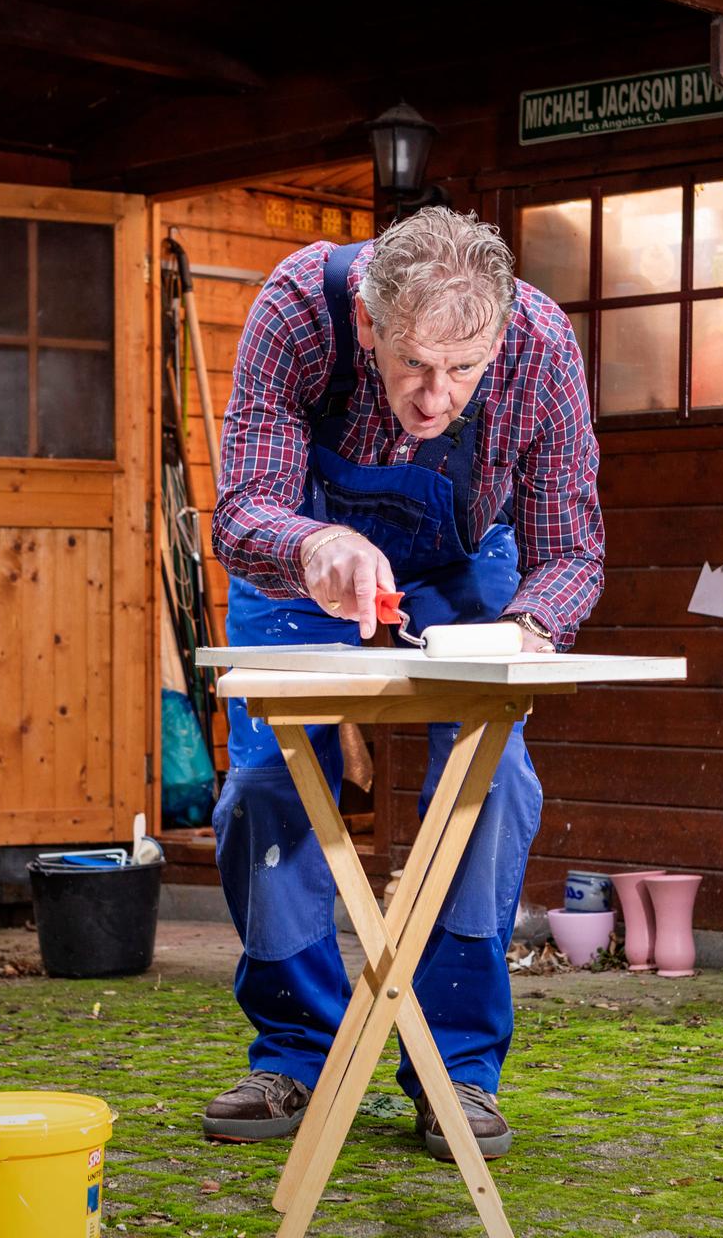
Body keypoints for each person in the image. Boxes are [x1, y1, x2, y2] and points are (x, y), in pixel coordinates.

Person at [202, 207, 604, 1162]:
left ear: (501, 335)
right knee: (263, 793)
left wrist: (528, 628)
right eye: (415, 365)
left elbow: (572, 552)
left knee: (494, 785)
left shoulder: (542, 347)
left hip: (468, 574)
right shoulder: (299, 311)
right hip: (309, 569)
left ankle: (452, 1068)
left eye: (463, 371)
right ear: (372, 323)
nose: (435, 400)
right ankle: (297, 1052)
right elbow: (243, 511)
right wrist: (314, 543)